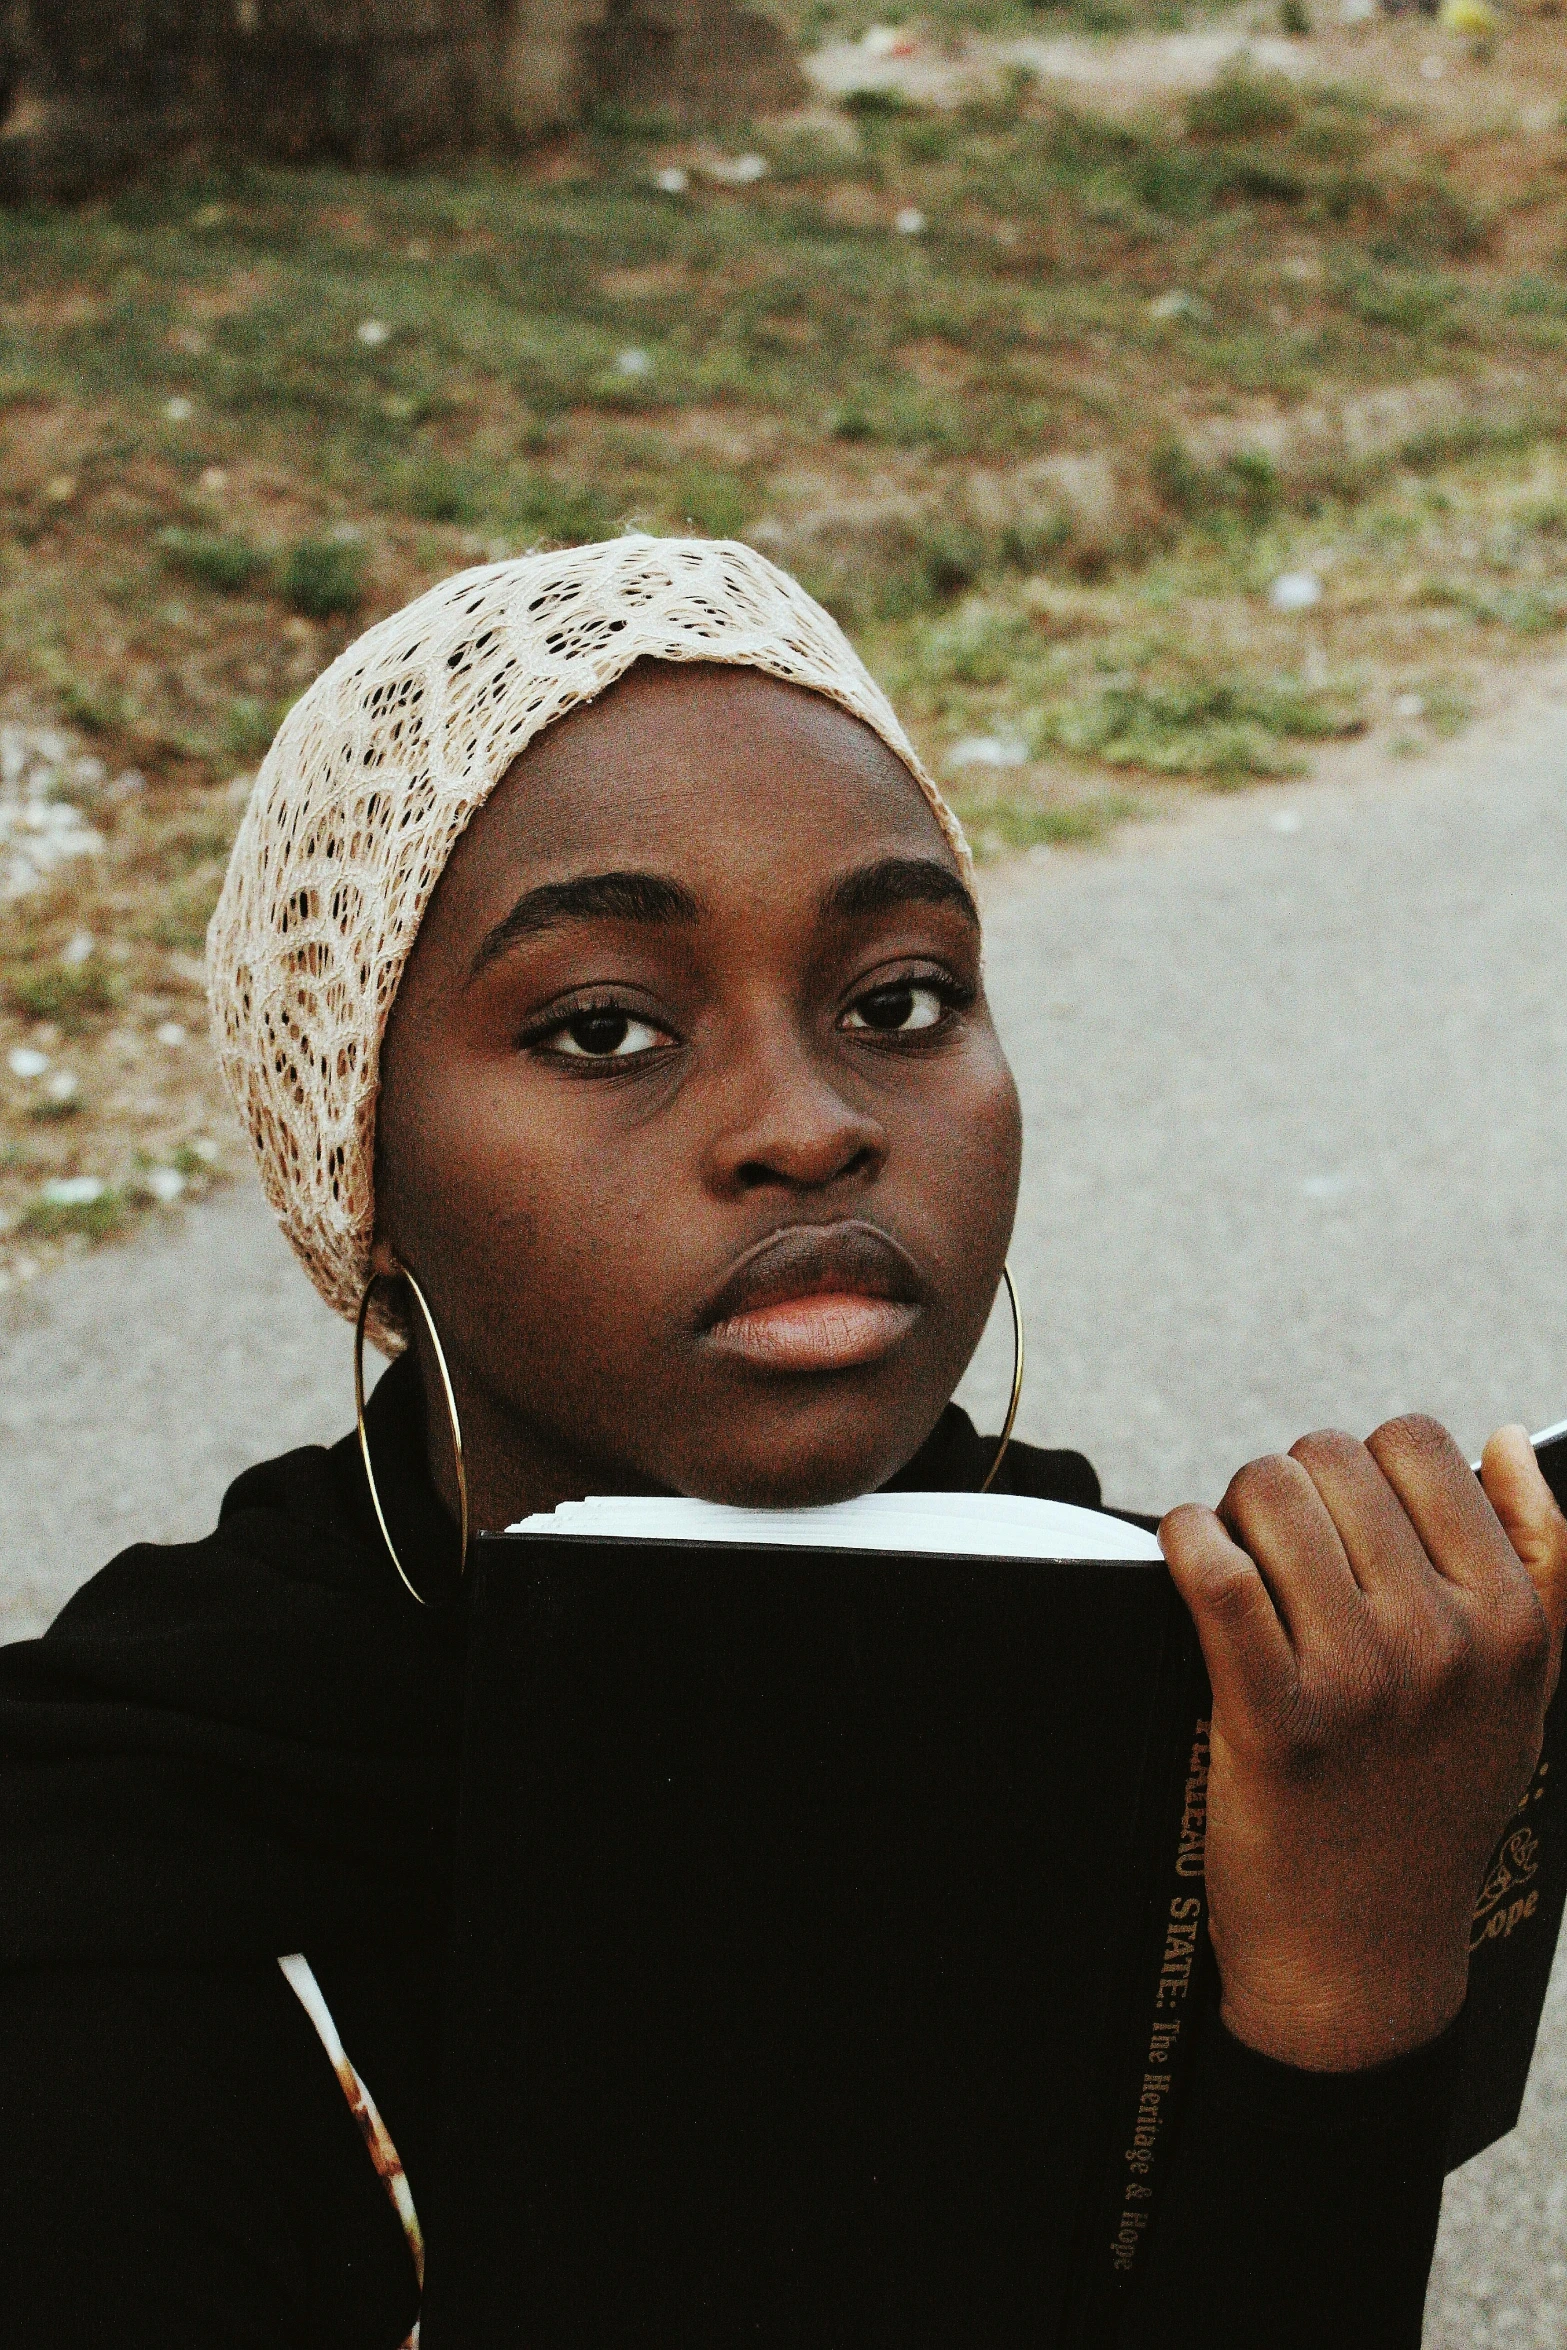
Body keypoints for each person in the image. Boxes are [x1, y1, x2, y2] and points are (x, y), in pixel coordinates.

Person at [1, 536, 1562, 2348]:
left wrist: (1349, 1986)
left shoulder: (1189, 1705)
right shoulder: (122, 1897)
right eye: (604, 1027)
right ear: (362, 1171)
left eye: (897, 1000)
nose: (808, 1125)